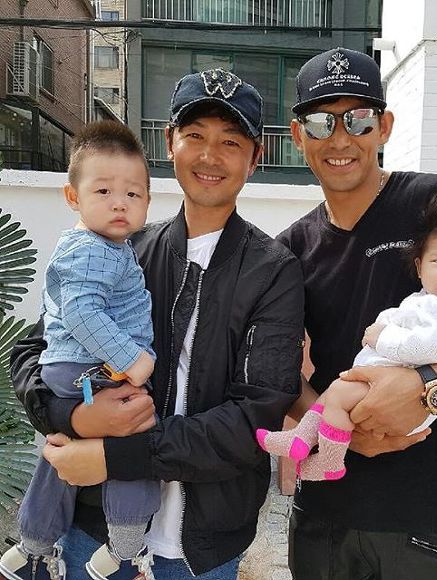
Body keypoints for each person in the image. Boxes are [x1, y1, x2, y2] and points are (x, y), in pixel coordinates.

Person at [10, 68, 304, 580]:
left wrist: (119, 455)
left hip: (205, 541)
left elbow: (256, 416)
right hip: (94, 525)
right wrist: (73, 417)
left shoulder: (273, 271)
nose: (210, 156)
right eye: (195, 136)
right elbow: (35, 351)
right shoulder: (121, 249)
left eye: (231, 142)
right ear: (170, 143)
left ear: (255, 158)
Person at [278, 47, 437, 579]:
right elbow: (278, 371)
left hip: (432, 513)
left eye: (358, 119)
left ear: (384, 127)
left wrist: (429, 386)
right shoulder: (291, 248)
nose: (340, 139)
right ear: (298, 135)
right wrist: (342, 427)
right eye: (321, 122)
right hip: (327, 516)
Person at [0, 120, 159, 580]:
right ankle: (125, 549)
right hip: (87, 368)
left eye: (133, 194)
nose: (119, 203)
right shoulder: (93, 250)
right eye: (103, 191)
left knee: (62, 451)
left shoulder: (106, 246)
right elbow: (80, 313)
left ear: (148, 201)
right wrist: (133, 360)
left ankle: (33, 546)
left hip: (71, 369)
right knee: (135, 434)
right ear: (73, 197)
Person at [257, 190, 437, 482]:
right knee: (332, 394)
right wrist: (385, 324)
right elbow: (402, 316)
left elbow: (430, 347)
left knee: (336, 398)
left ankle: (329, 461)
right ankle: (301, 438)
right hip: (379, 381)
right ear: (420, 266)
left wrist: (382, 338)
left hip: (407, 401)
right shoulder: (430, 299)